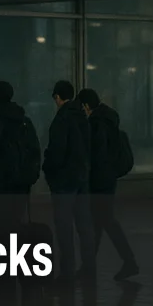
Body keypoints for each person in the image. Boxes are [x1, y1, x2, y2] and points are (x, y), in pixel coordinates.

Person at [0, 80, 42, 303]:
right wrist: (27, 179)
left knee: (1, 238)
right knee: (17, 233)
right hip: (20, 189)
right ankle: (28, 285)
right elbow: (35, 153)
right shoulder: (25, 121)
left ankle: (7, 289)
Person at [76, 88, 139, 281]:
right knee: (99, 223)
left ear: (86, 106)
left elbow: (97, 155)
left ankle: (129, 262)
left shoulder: (97, 124)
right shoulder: (109, 120)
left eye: (81, 108)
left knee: (105, 222)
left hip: (100, 182)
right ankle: (89, 267)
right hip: (108, 179)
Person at [44, 80, 96, 284]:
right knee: (84, 226)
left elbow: (57, 153)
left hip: (64, 181)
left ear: (57, 97)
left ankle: (67, 274)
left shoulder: (61, 120)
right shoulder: (82, 117)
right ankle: (89, 269)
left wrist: (48, 169)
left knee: (64, 228)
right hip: (81, 178)